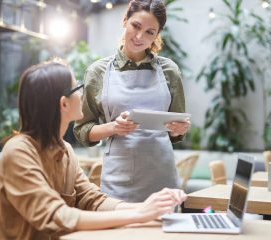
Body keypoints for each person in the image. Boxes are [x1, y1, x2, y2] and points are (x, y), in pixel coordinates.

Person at [0, 59, 187, 239]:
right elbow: (57, 215)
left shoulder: (64, 150)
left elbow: (92, 200)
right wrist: (138, 214)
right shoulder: (19, 152)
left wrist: (148, 207)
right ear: (64, 104)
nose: (82, 93)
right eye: (77, 88)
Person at [74, 0, 191, 202]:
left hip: (162, 179)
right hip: (118, 181)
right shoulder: (98, 72)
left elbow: (175, 130)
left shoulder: (170, 71)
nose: (139, 37)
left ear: (157, 34)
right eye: (136, 26)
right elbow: (83, 130)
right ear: (125, 20)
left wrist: (178, 129)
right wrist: (113, 128)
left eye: (149, 32)